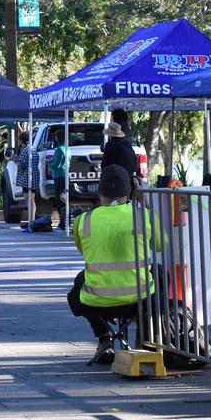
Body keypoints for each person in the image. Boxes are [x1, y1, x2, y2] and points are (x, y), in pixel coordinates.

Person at [67, 164, 161, 364]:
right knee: (160, 275)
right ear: (129, 193)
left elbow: (85, 252)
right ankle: (147, 337)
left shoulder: (83, 221)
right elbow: (162, 244)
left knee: (77, 286)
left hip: (97, 302)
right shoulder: (142, 215)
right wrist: (146, 206)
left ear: (100, 193)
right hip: (140, 298)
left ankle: (104, 336)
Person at [49, 128, 69, 227]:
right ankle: (66, 220)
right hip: (65, 175)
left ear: (58, 138)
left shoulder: (59, 149)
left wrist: (49, 163)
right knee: (64, 198)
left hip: (59, 175)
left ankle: (63, 221)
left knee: (60, 199)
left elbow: (56, 164)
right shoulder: (67, 148)